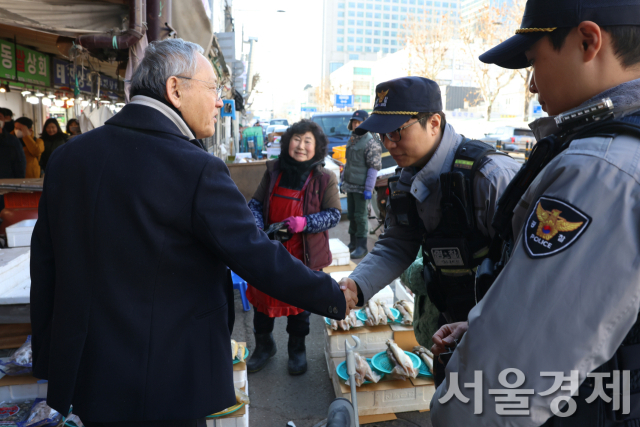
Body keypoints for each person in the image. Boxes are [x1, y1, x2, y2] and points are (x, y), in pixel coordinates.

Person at [30, 38, 358, 427]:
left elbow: (45, 265)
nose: (220, 102)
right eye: (214, 89)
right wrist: (333, 295)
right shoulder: (195, 168)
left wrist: (51, 360)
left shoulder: (68, 157)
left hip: (88, 371)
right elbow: (257, 256)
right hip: (165, 377)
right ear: (175, 89)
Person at [429, 0, 640, 425]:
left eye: (533, 62)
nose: (531, 86)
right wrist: (489, 323)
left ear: (587, 41)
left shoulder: (600, 171)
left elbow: (499, 390)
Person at [337, 77, 520, 368]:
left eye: (397, 132)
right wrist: (357, 286)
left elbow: (533, 268)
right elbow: (397, 243)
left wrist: (487, 322)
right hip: (448, 326)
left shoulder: (490, 177)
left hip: (508, 334)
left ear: (434, 122)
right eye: (382, 135)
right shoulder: (405, 180)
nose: (388, 144)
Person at [245, 119, 342, 375]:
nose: (300, 146)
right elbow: (254, 204)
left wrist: (305, 222)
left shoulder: (324, 178)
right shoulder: (274, 170)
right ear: (288, 143)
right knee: (261, 303)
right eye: (296, 140)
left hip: (304, 254)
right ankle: (264, 347)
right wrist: (258, 228)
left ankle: (296, 350)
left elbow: (333, 214)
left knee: (300, 305)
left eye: (307, 141)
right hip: (270, 250)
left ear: (316, 147)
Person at [341, 110, 381, 259]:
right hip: (350, 185)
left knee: (360, 216)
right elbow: (349, 163)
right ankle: (352, 243)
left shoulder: (370, 142)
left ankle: (362, 246)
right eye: (354, 122)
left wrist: (369, 189)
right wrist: (343, 180)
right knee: (351, 214)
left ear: (366, 122)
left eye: (359, 122)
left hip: (362, 187)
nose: (356, 125)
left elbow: (373, 168)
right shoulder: (352, 139)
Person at [0, 109, 26, 177]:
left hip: (8, 182)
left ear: (4, 121)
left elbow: (20, 162)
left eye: (0, 117)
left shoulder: (12, 140)